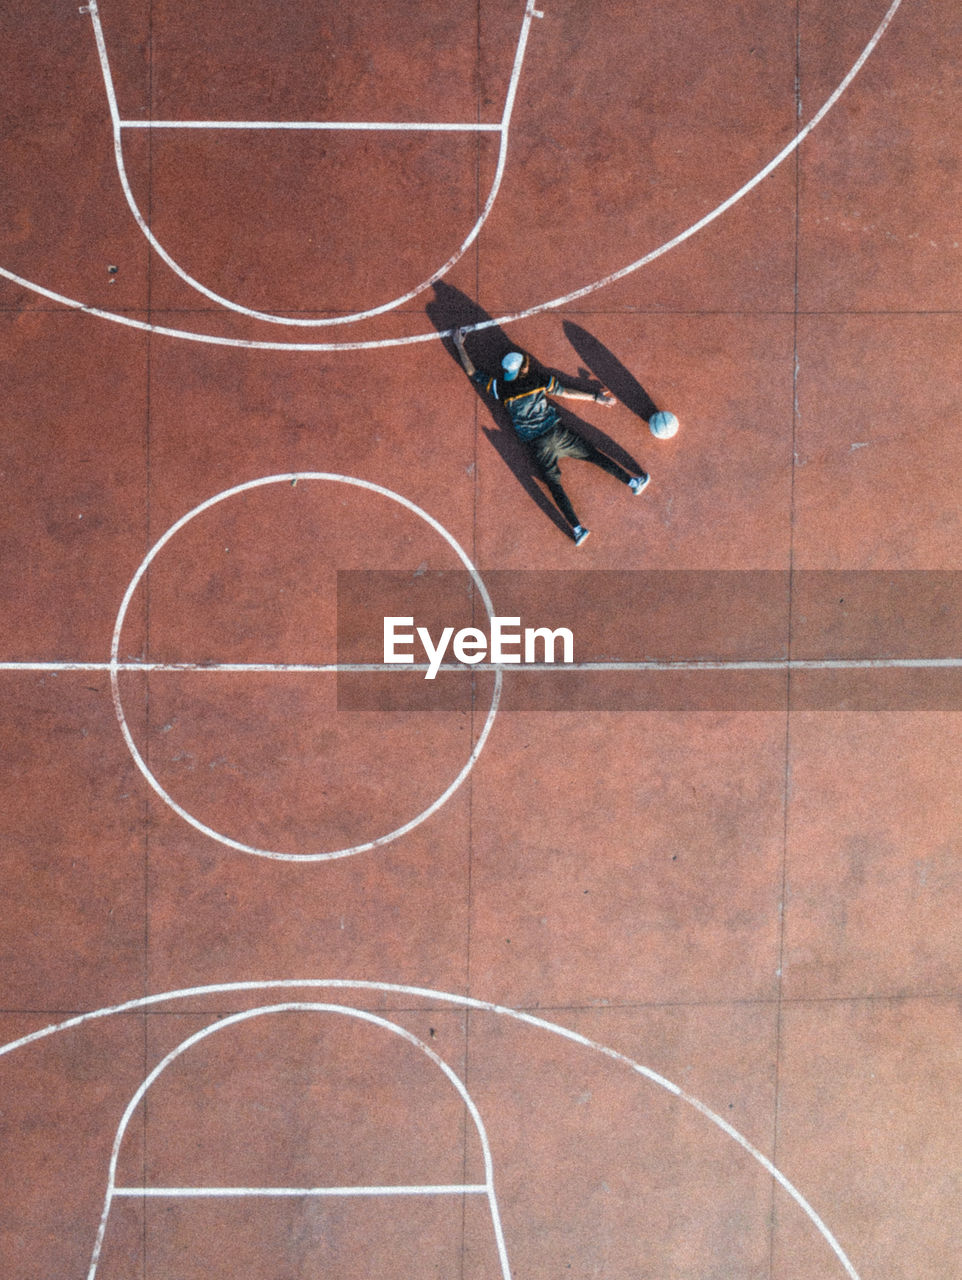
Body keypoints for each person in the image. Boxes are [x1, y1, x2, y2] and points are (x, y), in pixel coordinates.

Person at [453, 328, 648, 545]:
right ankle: (633, 482)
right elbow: (565, 392)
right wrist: (595, 398)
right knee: (595, 456)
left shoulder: (500, 388)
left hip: (537, 445)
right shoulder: (536, 380)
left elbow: (472, 372)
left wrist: (459, 346)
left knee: (555, 486)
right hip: (558, 433)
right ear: (523, 368)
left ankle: (577, 530)